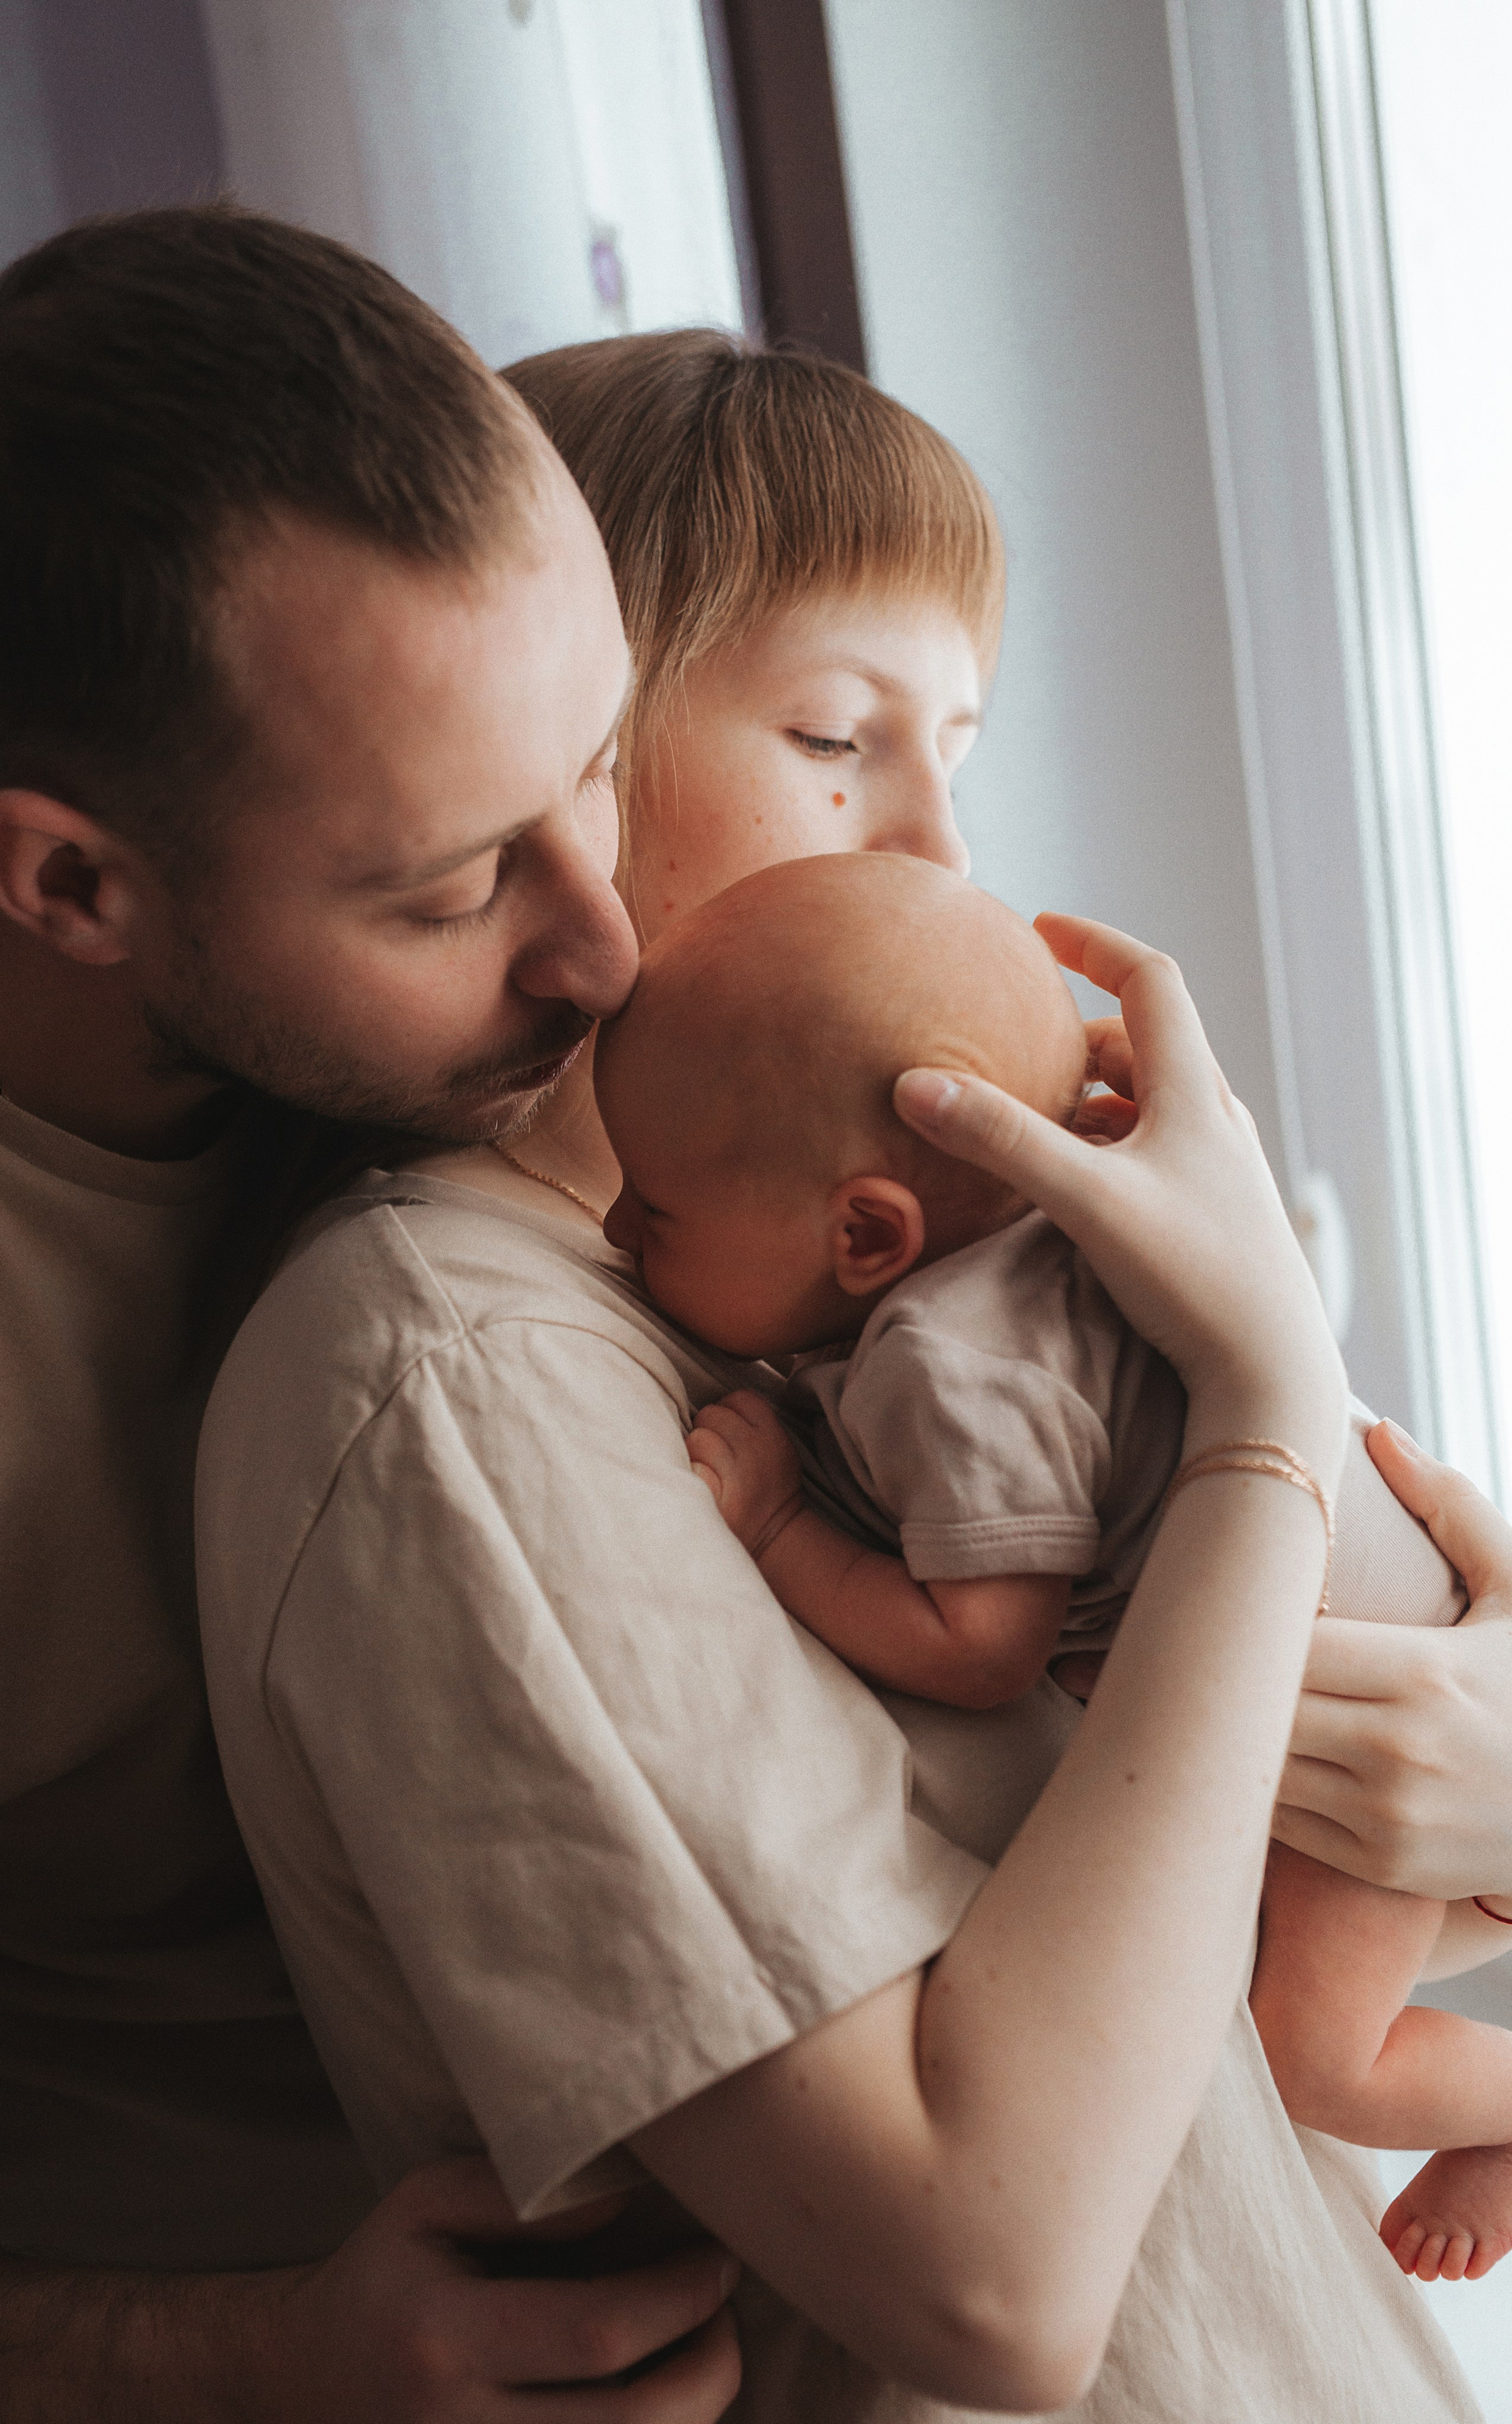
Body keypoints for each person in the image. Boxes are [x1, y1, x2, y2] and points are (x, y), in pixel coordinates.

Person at [197, 333, 1487, 2416]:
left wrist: (1476, 1756)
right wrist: (1257, 1409)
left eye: (959, 742)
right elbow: (995, 2280)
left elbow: (1160, 1960)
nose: (941, 849)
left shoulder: (824, 1315)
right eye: (834, 736)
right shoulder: (459, 1370)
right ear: (569, 733)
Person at [0, 210, 741, 2421]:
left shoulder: (502, 921)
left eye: (600, 763)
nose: (609, 947)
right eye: (457, 887)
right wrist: (265, 2359)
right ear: (70, 884)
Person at [594, 846, 1512, 2287]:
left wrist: (778, 1530)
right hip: (1413, 1642)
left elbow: (982, 1649)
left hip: (1382, 1693)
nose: (609, 1229)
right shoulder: (1065, 1221)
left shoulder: (940, 1359)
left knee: (1310, 2060)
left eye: (654, 1209)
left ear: (862, 1234)